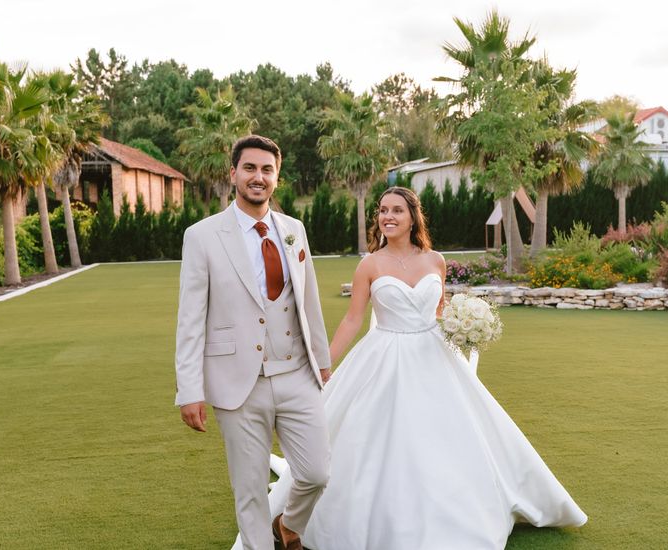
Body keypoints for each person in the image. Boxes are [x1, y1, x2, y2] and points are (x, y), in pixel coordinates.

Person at [234, 186, 587, 550]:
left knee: (450, 434)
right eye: (383, 210)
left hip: (435, 355)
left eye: (396, 210)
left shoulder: (436, 260)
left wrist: (463, 325)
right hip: (384, 355)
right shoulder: (369, 265)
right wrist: (324, 363)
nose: (387, 216)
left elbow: (439, 310)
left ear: (412, 217)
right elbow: (354, 319)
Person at [175, 135, 331, 550]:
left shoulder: (294, 230)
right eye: (250, 168)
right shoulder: (203, 236)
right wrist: (189, 390)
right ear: (233, 174)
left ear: (276, 177)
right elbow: (190, 319)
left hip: (298, 372)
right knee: (249, 491)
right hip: (238, 382)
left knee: (317, 473)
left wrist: (323, 360)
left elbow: (309, 299)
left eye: (266, 170)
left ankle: (291, 525)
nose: (258, 177)